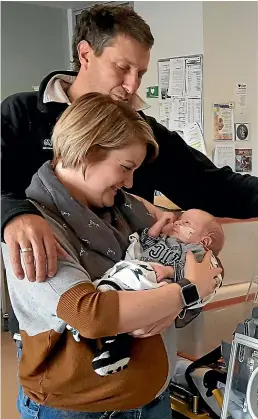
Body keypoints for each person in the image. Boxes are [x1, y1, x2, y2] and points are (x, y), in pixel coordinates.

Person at [1, 4, 257, 330]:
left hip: (141, 317)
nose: (132, 85)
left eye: (141, 74)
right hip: (60, 324)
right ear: (85, 54)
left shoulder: (144, 132)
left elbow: (213, 186)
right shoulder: (22, 114)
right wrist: (13, 211)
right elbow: (89, 315)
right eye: (122, 68)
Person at [2, 93, 222, 419]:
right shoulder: (35, 230)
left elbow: (200, 256)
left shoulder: (126, 207)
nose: (130, 181)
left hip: (151, 397)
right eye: (125, 167)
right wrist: (187, 293)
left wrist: (186, 287)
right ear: (87, 152)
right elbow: (91, 315)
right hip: (83, 410)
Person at [88, 208, 224, 377]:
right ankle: (112, 342)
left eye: (186, 223)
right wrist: (159, 224)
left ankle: (111, 338)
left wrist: (170, 272)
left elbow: (196, 276)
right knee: (120, 301)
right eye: (180, 219)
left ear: (204, 241)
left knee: (126, 309)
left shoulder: (195, 251)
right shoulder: (166, 240)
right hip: (139, 272)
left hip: (156, 282)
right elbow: (147, 241)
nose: (178, 222)